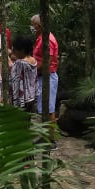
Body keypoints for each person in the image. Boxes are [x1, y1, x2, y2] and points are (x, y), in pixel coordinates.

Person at [31, 14, 60, 149]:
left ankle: (50, 140)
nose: (33, 29)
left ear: (39, 26)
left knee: (49, 109)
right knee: (44, 108)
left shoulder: (48, 39)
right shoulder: (40, 38)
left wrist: (31, 69)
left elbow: (47, 61)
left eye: (34, 26)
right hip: (41, 76)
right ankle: (44, 137)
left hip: (48, 77)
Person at [9, 33, 38, 112]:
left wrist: (6, 59)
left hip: (21, 99)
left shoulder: (20, 63)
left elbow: (12, 70)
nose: (13, 52)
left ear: (22, 50)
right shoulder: (33, 60)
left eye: (15, 49)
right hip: (31, 97)